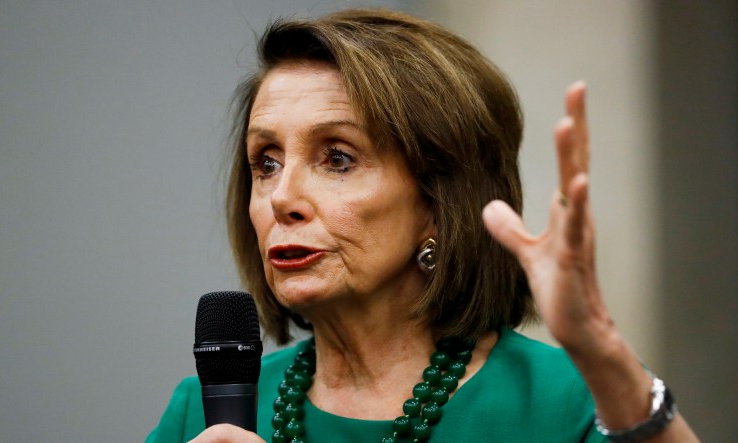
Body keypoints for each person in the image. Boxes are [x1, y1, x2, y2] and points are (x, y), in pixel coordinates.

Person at [147, 8, 699, 443]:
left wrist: (603, 352)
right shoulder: (200, 414)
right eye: (266, 162)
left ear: (438, 200)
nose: (281, 198)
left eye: (337, 158)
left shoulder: (565, 404)